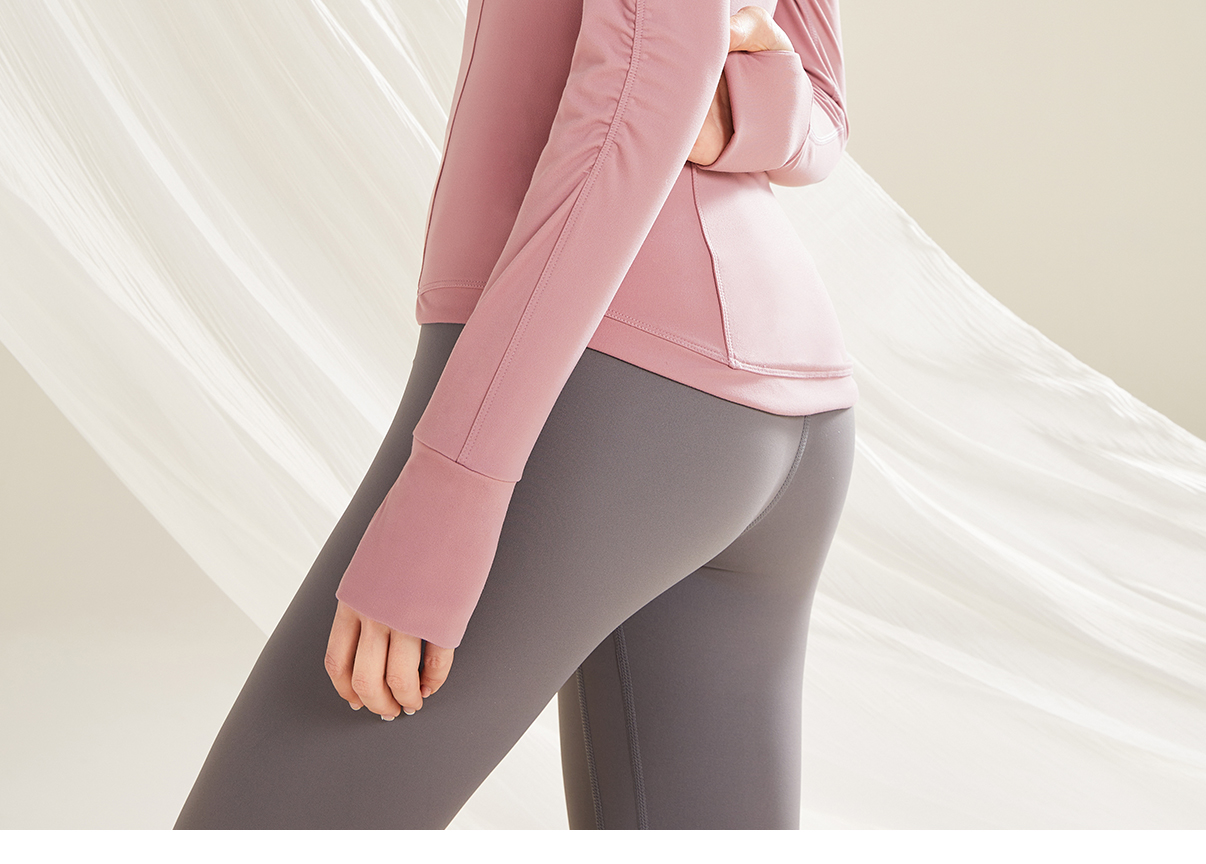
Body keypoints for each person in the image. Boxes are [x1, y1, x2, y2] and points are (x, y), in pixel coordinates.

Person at [174, 0, 856, 830]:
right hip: (775, 409)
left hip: (590, 397)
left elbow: (647, 81)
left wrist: (451, 489)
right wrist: (748, 109)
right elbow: (814, 106)